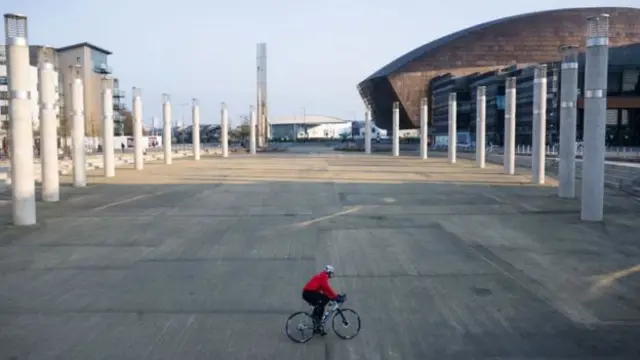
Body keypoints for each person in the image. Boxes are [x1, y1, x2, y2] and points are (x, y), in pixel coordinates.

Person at [302, 265, 343, 335]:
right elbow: (327, 287)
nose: (331, 275)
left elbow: (325, 291)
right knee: (324, 300)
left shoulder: (322, 276)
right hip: (309, 293)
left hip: (308, 293)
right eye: (331, 273)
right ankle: (315, 318)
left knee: (322, 305)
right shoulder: (324, 276)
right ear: (329, 272)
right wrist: (335, 296)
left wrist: (334, 296)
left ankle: (317, 327)